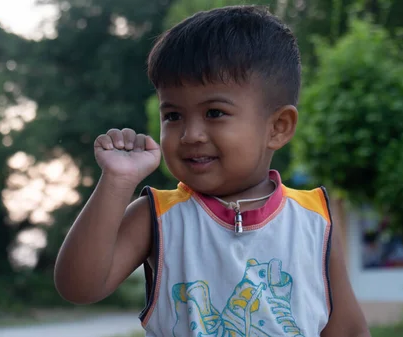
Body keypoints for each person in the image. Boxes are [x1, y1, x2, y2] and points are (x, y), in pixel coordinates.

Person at [54, 5, 370, 337]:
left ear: (278, 127)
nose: (191, 135)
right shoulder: (157, 217)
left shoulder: (314, 219)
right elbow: (79, 287)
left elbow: (348, 330)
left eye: (215, 113)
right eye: (173, 116)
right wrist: (117, 182)